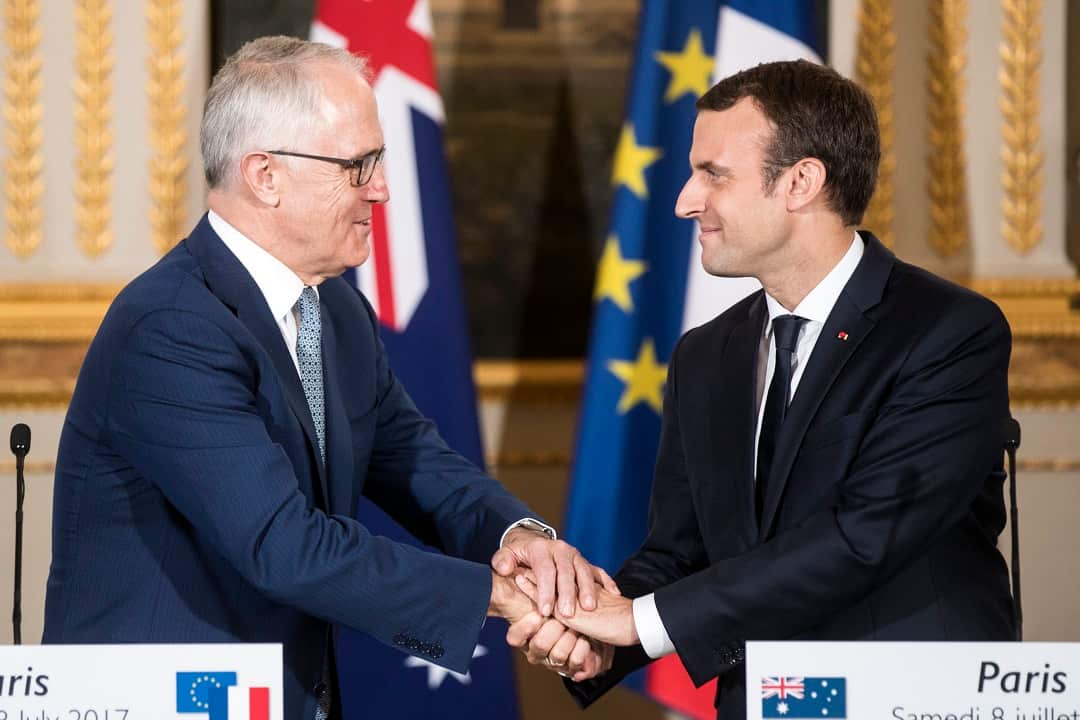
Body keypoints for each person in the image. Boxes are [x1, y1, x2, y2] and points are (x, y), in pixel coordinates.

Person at [43, 36, 612, 720]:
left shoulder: (336, 309)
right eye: (357, 165)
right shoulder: (170, 327)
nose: (382, 188)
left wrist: (522, 543)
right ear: (265, 176)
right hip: (159, 702)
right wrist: (503, 597)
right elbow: (285, 547)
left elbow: (419, 465)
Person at [509, 59, 1016, 719]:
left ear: (802, 182)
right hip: (764, 702)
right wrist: (592, 636)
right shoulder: (705, 354)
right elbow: (679, 553)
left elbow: (865, 536)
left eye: (713, 175)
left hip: (916, 698)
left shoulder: (949, 331)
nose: (685, 201)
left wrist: (640, 622)